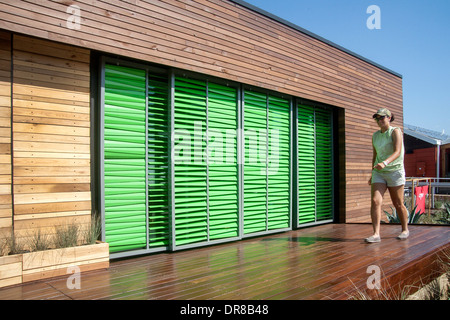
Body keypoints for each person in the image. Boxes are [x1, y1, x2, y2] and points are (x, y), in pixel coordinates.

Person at [366, 108, 409, 243]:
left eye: (382, 117)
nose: (379, 121)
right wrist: (372, 173)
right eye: (377, 118)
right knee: (375, 201)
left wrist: (385, 163)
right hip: (379, 172)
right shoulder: (375, 135)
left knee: (398, 203)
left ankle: (405, 229)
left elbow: (397, 151)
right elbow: (375, 155)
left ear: (389, 118)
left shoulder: (395, 131)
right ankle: (376, 234)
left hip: (395, 171)